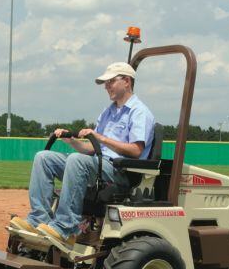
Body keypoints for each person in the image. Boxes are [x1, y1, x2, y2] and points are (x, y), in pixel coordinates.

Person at [10, 62, 155, 245]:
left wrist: (101, 138)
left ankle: (65, 227)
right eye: (105, 82)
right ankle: (38, 219)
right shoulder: (108, 112)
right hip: (99, 165)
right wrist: (72, 141)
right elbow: (92, 149)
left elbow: (136, 150)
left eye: (110, 81)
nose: (106, 86)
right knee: (43, 158)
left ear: (126, 81)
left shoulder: (139, 112)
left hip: (121, 172)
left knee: (77, 161)